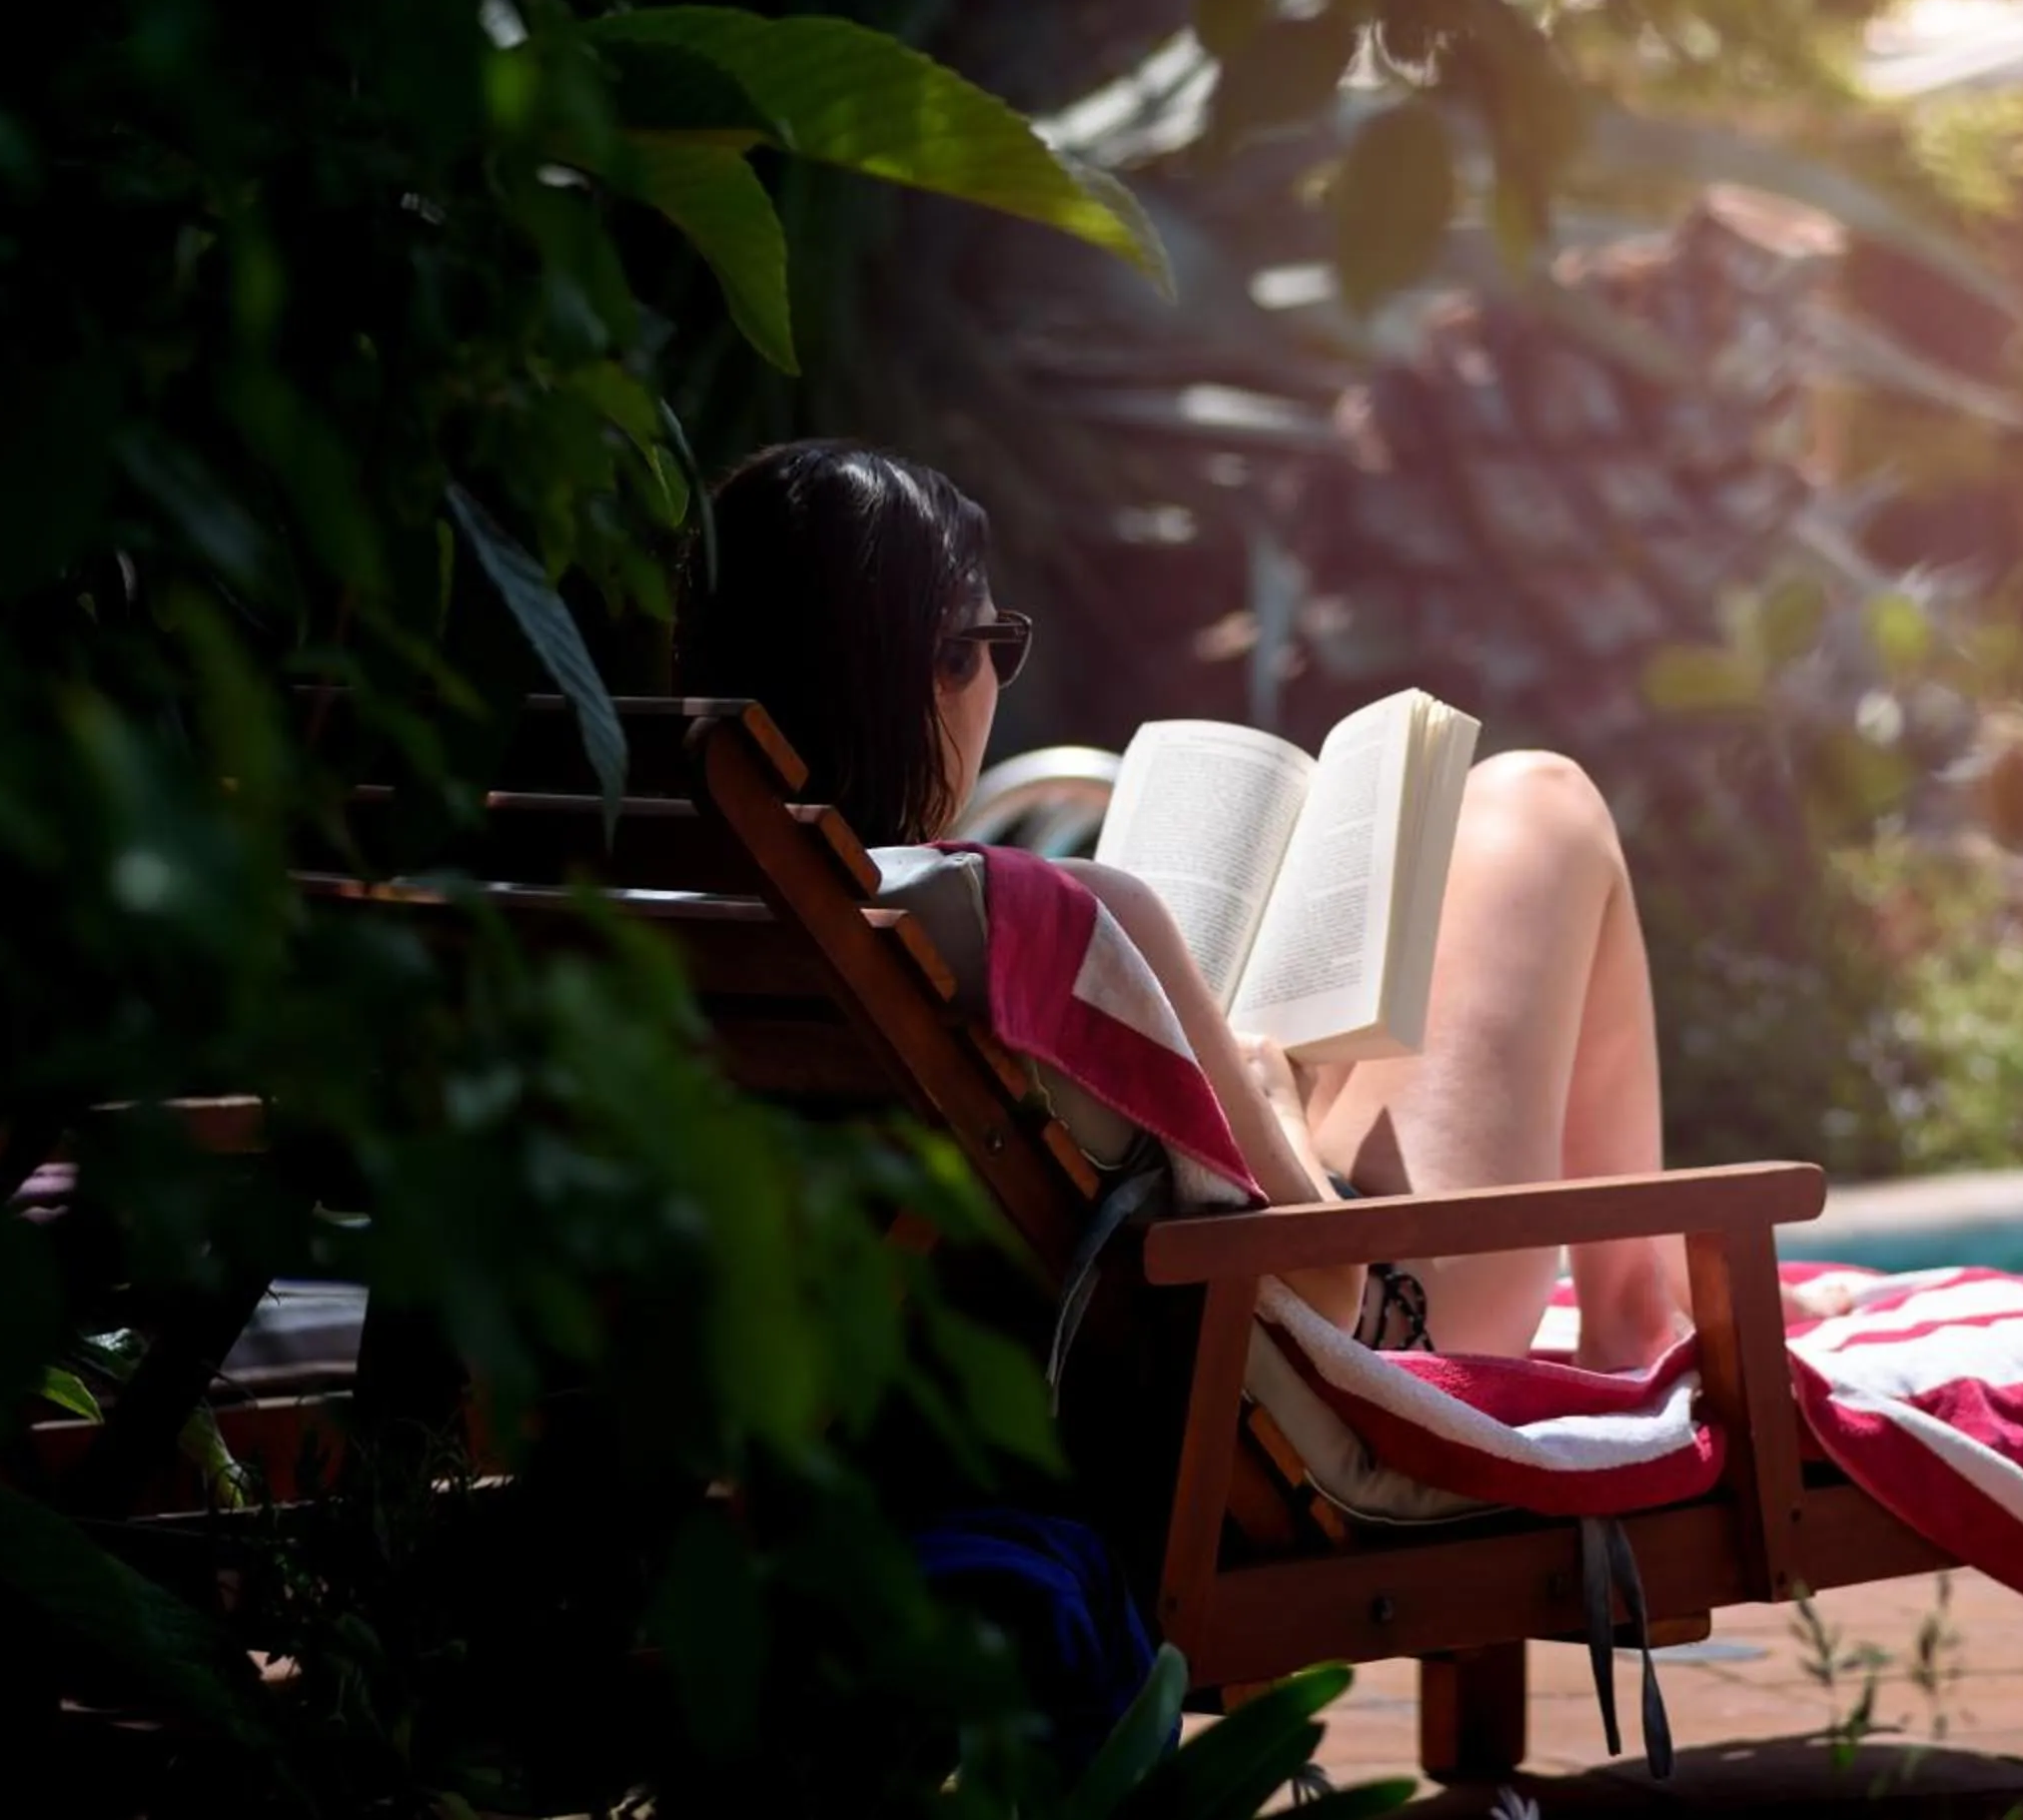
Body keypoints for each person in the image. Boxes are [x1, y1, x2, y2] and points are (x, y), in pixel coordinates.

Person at [680, 440, 1827, 1373]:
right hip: (1359, 1333)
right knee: (1539, 802)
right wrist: (1269, 1090)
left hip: (1077, 1337)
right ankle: (1633, 1313)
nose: (995, 681)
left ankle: (1630, 1299)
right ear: (926, 672)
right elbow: (1323, 1276)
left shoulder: (713, 916)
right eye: (992, 645)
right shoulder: (1036, 913)